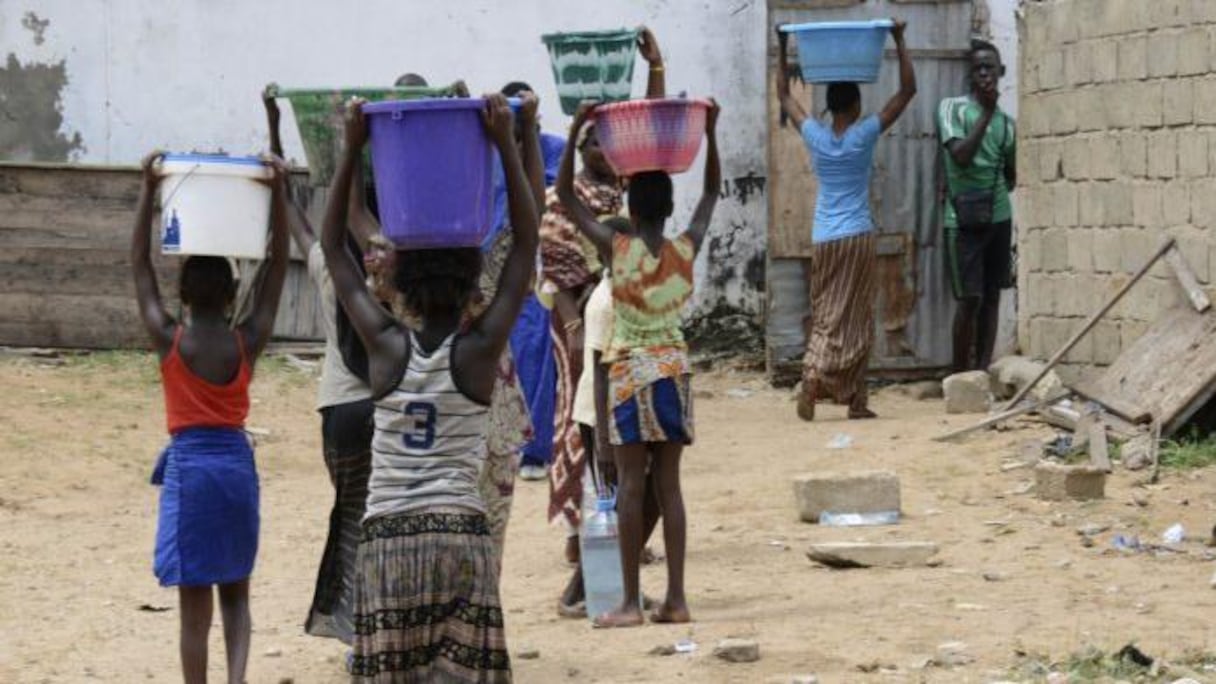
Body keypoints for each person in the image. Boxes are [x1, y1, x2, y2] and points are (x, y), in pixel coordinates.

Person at [324, 93, 535, 682]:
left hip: (387, 536)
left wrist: (351, 151)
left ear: (401, 285)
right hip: (458, 531)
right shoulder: (479, 350)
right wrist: (506, 145)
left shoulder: (385, 346)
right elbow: (526, 244)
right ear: (473, 285)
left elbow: (333, 248)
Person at [557, 97, 721, 627]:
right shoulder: (684, 249)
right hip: (673, 370)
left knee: (631, 486)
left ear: (631, 203)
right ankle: (676, 599)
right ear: (669, 208)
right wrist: (711, 133)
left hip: (630, 374)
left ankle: (630, 602)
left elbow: (565, 197)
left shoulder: (617, 249)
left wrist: (577, 127)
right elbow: (712, 193)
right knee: (669, 487)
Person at [133, 150, 290, 683]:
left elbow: (139, 267)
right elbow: (276, 269)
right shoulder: (247, 340)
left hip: (192, 474)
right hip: (236, 471)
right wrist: (280, 193)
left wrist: (148, 189)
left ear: (181, 293)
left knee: (193, 611)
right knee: (237, 596)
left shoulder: (168, 339)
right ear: (231, 294)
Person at [543, 25, 667, 579]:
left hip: (620, 323)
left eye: (606, 143)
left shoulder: (618, 193)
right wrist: (574, 330)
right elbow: (555, 273)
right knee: (583, 428)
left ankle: (617, 531)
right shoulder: (564, 198)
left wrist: (656, 69)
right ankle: (580, 535)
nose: (603, 151)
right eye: (593, 143)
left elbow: (652, 138)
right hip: (581, 325)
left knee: (618, 431)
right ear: (580, 150)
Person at [264, 89, 377, 644]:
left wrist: (274, 128)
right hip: (384, 411)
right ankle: (381, 629)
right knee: (384, 523)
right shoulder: (392, 277)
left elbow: (293, 214)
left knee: (350, 519)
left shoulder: (328, 267)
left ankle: (353, 631)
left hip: (340, 412)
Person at [777, 19, 917, 421]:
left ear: (830, 107)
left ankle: (818, 378)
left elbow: (784, 95)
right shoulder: (863, 134)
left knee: (826, 313)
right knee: (858, 314)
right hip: (856, 235)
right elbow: (907, 92)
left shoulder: (816, 136)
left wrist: (784, 45)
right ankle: (853, 398)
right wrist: (899, 39)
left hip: (825, 236)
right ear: (855, 106)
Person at [491, 80, 564, 482]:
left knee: (535, 356)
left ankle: (534, 449)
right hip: (498, 266)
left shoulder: (553, 151)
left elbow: (549, 203)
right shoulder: (490, 153)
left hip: (539, 267)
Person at [938, 39, 1017, 372]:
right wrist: (985, 113)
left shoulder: (1008, 124)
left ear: (1001, 72)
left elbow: (1011, 174)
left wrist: (992, 194)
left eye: (990, 68)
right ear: (970, 75)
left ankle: (982, 371)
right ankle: (960, 375)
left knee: (992, 295)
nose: (984, 74)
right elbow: (960, 155)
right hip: (962, 220)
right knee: (969, 299)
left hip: (998, 217)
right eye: (978, 69)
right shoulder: (952, 109)